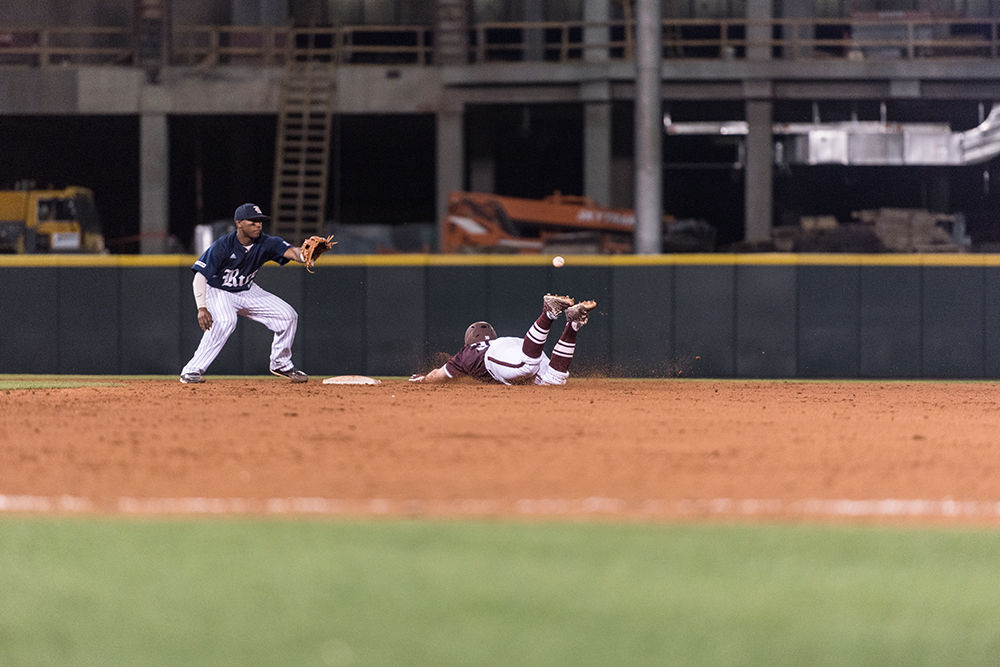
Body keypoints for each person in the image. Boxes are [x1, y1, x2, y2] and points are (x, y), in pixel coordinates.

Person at [179, 202, 317, 384]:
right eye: (252, 222)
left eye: (260, 221)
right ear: (239, 223)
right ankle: (191, 371)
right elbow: (199, 277)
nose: (258, 225)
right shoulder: (223, 245)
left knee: (288, 316)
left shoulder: (266, 242)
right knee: (226, 321)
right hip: (218, 290)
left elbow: (292, 252)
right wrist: (202, 307)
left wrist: (306, 256)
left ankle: (281, 364)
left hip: (246, 290)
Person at [409, 294, 597, 386]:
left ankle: (548, 312)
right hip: (519, 345)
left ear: (469, 341)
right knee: (555, 380)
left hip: (500, 356)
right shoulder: (495, 342)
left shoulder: (467, 354)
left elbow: (438, 375)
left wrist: (423, 379)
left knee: (527, 365)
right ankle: (572, 323)